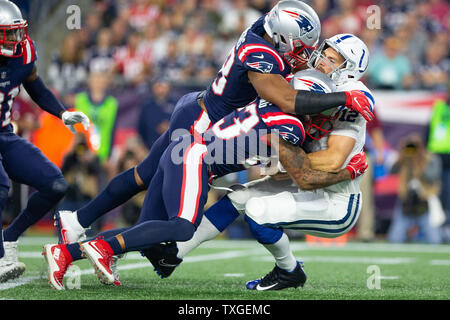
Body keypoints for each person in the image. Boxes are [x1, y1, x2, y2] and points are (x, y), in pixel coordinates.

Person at [55, 0, 374, 249]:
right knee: (173, 211)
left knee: (144, 175)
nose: (307, 55)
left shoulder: (264, 27)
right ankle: (106, 245)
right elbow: (289, 101)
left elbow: (281, 23)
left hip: (200, 107)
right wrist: (343, 99)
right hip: (203, 120)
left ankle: (79, 222)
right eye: (300, 45)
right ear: (281, 35)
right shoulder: (262, 53)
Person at [43, 69, 369, 290]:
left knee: (156, 237)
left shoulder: (269, 102)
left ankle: (66, 253)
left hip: (184, 150)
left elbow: (279, 166)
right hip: (195, 160)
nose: (320, 117)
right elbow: (304, 176)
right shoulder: (292, 126)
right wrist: (349, 170)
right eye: (317, 108)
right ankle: (102, 245)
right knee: (182, 227)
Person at [145, 33, 374, 291]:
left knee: (258, 210)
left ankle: (289, 271)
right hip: (303, 178)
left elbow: (333, 161)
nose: (322, 61)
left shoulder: (351, 100)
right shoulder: (313, 83)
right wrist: (283, 162)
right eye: (324, 53)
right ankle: (174, 253)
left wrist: (290, 164)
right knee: (238, 197)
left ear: (351, 71)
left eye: (332, 60)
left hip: (336, 201)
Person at [0, 1, 90, 283]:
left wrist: (61, 112)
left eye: (18, 32)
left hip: (3, 132)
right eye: (9, 34)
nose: (17, 40)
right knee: (1, 186)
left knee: (55, 184)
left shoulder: (24, 51)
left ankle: (10, 237)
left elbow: (34, 84)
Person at [387, 134, 443, 244]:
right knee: (395, 238)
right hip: (406, 202)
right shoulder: (405, 157)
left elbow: (433, 176)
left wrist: (420, 161)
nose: (413, 149)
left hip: (425, 202)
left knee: (435, 240)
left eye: (416, 146)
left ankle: (444, 232)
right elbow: (392, 171)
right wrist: (401, 155)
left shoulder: (431, 158)